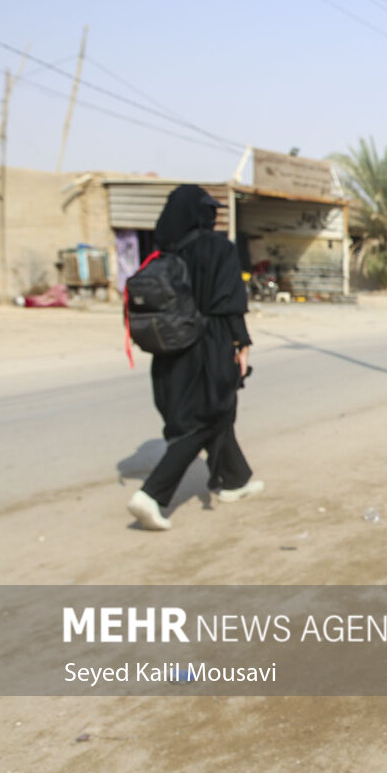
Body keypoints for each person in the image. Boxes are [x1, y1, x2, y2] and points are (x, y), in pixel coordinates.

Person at [126, 185, 263, 530]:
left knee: (215, 414)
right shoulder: (219, 248)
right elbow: (230, 303)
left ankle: (235, 481)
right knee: (205, 417)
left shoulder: (163, 252)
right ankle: (153, 495)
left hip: (171, 348)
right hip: (210, 343)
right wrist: (241, 344)